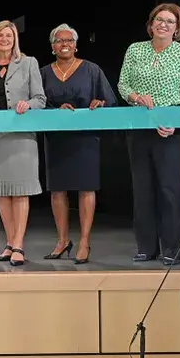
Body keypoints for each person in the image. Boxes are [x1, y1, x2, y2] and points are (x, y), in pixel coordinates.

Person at [117, 3, 180, 265]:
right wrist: (136, 96)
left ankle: (172, 249)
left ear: (177, 29)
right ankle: (146, 246)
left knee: (170, 189)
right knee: (143, 189)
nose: (163, 25)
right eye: (159, 20)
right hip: (139, 128)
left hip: (170, 131)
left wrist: (176, 123)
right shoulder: (135, 50)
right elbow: (122, 84)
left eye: (170, 22)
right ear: (151, 24)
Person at [39, 24, 115, 265]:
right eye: (60, 41)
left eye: (69, 40)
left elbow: (110, 100)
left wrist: (99, 103)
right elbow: (37, 103)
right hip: (56, 138)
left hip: (85, 137)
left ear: (76, 45)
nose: (65, 44)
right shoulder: (43, 73)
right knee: (57, 190)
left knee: (86, 188)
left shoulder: (91, 70)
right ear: (52, 47)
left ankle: (84, 241)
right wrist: (55, 110)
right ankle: (62, 240)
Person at [0, 20, 45, 267]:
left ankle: (19, 245)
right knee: (2, 192)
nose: (5, 39)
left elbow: (40, 98)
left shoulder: (28, 63)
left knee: (20, 190)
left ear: (15, 39)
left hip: (22, 138)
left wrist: (29, 105)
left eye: (9, 35)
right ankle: (9, 242)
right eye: (1, 35)